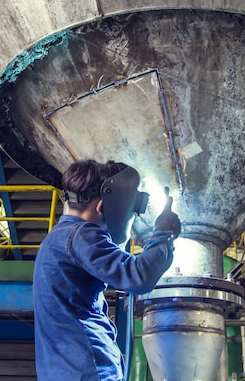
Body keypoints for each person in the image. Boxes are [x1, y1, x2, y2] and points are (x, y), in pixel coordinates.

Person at [33, 159, 181, 381]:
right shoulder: (81, 236)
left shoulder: (58, 238)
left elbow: (116, 269)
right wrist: (163, 233)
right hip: (86, 370)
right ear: (102, 206)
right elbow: (137, 276)